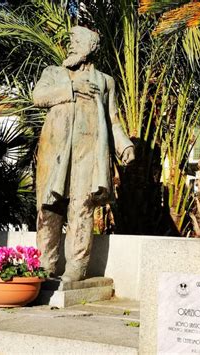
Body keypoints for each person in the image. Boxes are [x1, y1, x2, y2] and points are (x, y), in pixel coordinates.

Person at [33, 26, 135, 282]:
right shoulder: (54, 73)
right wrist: (71, 88)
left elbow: (113, 120)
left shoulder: (105, 81)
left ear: (91, 46)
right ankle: (45, 264)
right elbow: (38, 96)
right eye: (70, 41)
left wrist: (125, 145)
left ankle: (77, 267)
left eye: (76, 41)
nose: (71, 45)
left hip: (88, 153)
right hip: (55, 150)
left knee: (82, 208)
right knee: (49, 209)